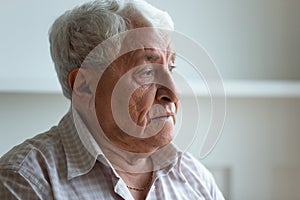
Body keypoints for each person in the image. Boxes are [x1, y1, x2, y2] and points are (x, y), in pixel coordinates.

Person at [0, 0, 225, 199]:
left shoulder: (195, 178)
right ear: (86, 87)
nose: (173, 93)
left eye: (171, 68)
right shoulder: (26, 181)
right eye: (146, 72)